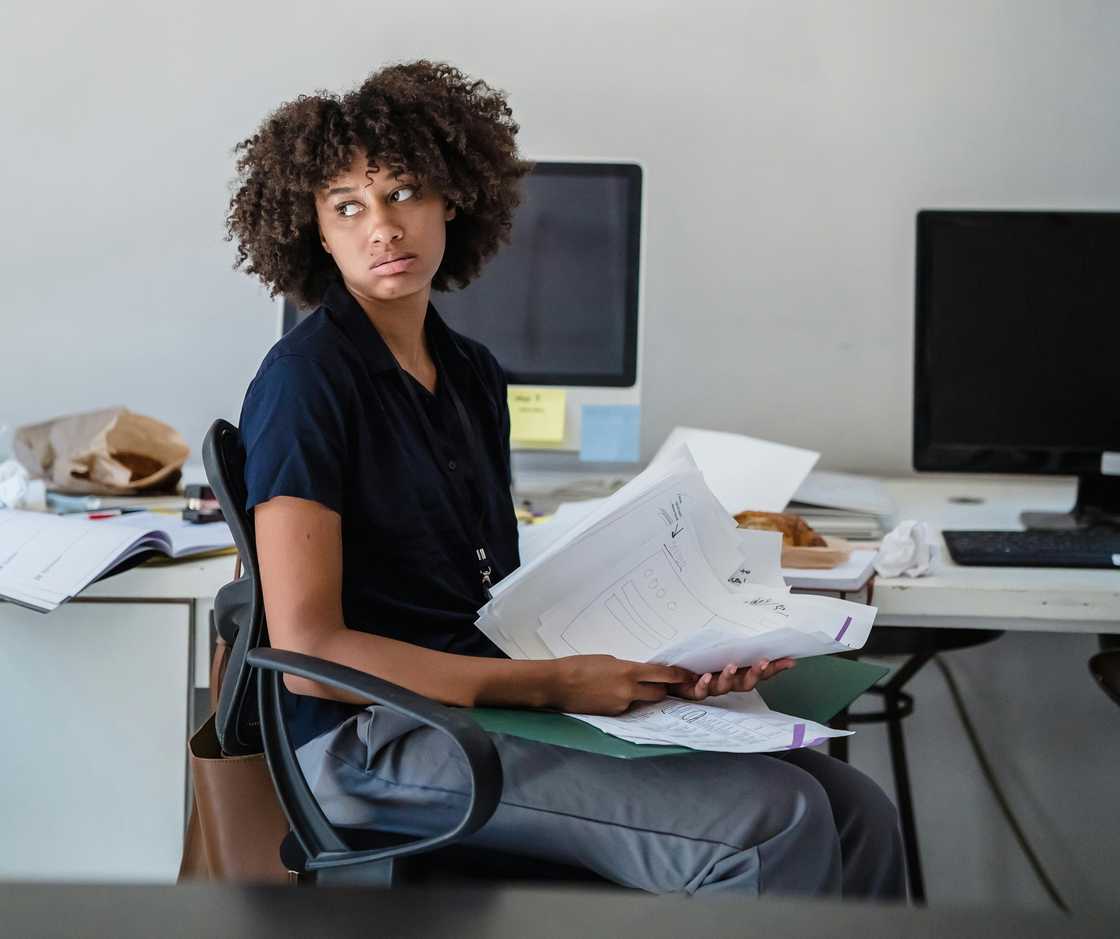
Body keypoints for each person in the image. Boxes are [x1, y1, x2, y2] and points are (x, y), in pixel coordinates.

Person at [226, 59, 905, 899]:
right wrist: (555, 683)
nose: (382, 228)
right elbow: (306, 655)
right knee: (773, 821)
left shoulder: (470, 372)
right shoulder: (305, 381)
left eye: (402, 193)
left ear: (450, 199)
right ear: (317, 232)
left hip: (485, 703)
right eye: (348, 207)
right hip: (370, 739)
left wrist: (677, 662)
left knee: (856, 806)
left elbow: (498, 602)